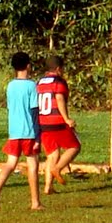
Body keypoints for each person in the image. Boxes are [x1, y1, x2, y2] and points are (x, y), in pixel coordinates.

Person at [0, 52, 43, 210]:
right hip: (29, 132)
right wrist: (38, 136)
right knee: (32, 165)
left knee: (10, 164)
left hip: (14, 131)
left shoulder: (11, 86)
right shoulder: (32, 86)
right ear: (28, 65)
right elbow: (34, 111)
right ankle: (35, 202)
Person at [37, 56, 81, 194]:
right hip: (57, 122)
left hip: (43, 123)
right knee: (74, 147)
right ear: (58, 69)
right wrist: (66, 118)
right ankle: (57, 168)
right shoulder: (59, 82)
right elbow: (59, 98)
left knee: (52, 154)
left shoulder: (39, 82)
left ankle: (48, 187)